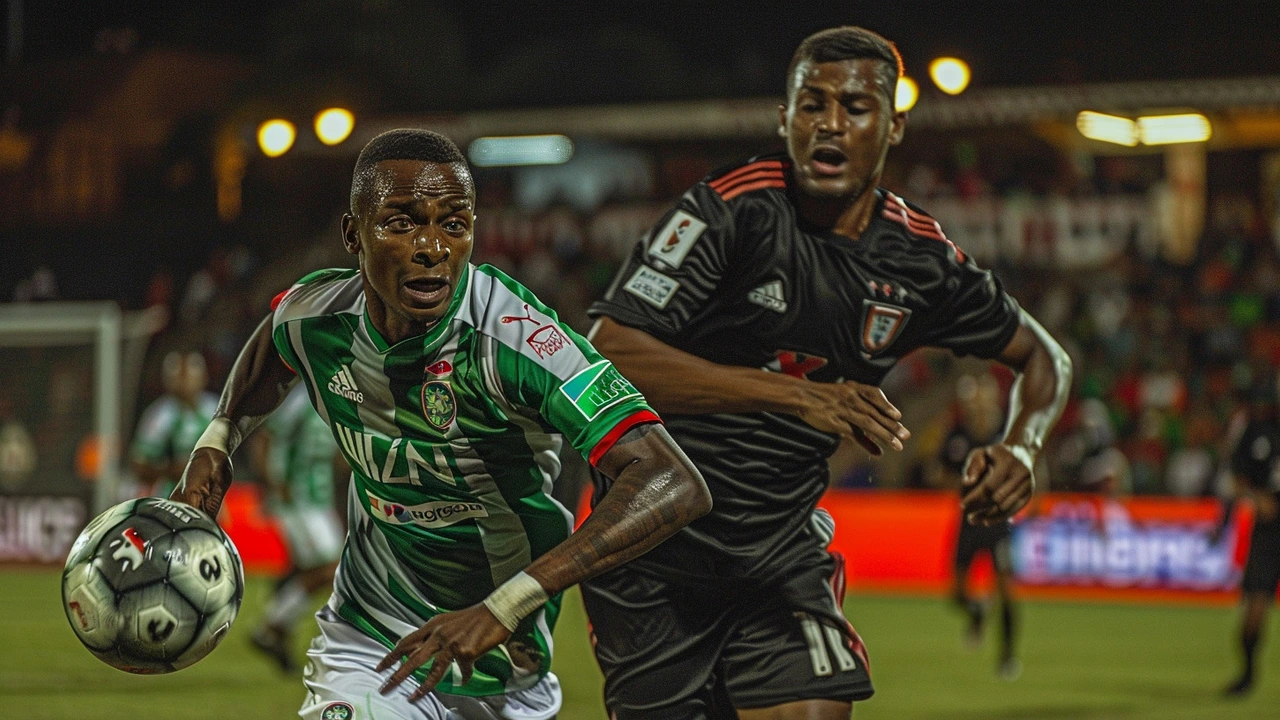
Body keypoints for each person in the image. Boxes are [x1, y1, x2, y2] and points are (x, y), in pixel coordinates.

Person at [584, 26, 1072, 719]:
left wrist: (1023, 444)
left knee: (816, 708)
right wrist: (792, 397)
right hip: (653, 551)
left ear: (894, 125)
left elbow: (1045, 358)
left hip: (777, 554)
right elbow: (606, 348)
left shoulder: (919, 261)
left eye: (855, 106)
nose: (830, 124)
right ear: (785, 118)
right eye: (812, 105)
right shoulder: (732, 209)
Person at [171, 128, 712, 720]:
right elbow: (272, 346)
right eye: (402, 222)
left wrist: (505, 606)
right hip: (368, 640)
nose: (432, 246)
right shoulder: (316, 315)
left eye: (454, 224)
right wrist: (218, 439)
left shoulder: (522, 342)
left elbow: (671, 478)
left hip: (505, 661)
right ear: (353, 233)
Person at [248, 382, 349, 674]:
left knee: (328, 573)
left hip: (320, 498)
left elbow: (336, 456)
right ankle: (272, 624)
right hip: (297, 498)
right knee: (331, 569)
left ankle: (276, 630)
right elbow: (265, 438)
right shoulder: (302, 399)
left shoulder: (340, 402)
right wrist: (273, 483)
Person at [935, 373, 1020, 679]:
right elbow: (940, 473)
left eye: (982, 399)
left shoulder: (1005, 433)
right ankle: (977, 612)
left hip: (998, 521)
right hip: (968, 521)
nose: (977, 406)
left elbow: (1028, 467)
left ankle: (1008, 657)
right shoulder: (957, 435)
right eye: (972, 401)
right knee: (956, 592)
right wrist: (962, 482)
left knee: (1006, 590)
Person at [1214, 373, 1280, 697]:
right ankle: (1248, 672)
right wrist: (1256, 497)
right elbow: (1237, 477)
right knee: (1254, 604)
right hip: (1269, 531)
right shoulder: (1255, 431)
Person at [129, 350, 218, 498]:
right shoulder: (159, 415)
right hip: (169, 495)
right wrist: (169, 470)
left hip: (209, 492)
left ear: (203, 378)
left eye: (189, 377)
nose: (184, 383)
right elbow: (139, 462)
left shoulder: (215, 409)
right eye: (178, 377)